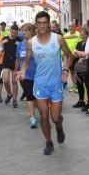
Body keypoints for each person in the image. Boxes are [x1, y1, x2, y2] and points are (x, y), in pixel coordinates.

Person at [16, 11, 73, 155]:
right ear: (36, 25)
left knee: (55, 117)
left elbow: (69, 55)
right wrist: (22, 71)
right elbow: (27, 60)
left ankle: (59, 127)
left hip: (56, 84)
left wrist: (65, 70)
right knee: (43, 116)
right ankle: (49, 142)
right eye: (39, 23)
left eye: (44, 23)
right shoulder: (31, 43)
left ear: (49, 24)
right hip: (40, 83)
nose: (42, 26)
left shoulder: (58, 39)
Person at [15, 23, 37, 128]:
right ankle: (32, 117)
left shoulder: (37, 43)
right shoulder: (20, 45)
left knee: (37, 96)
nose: (23, 32)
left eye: (26, 30)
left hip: (38, 74)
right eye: (22, 30)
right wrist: (16, 71)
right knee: (29, 95)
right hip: (25, 75)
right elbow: (18, 59)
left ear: (31, 31)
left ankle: (40, 111)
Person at [74, 19, 89, 116]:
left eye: (86, 25)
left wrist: (80, 53)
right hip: (88, 62)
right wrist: (83, 56)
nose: (84, 26)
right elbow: (87, 52)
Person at [1, 24, 22, 108]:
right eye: (12, 32)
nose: (13, 34)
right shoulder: (5, 38)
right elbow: (1, 50)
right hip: (6, 61)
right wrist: (2, 43)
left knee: (14, 81)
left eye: (15, 33)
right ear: (10, 30)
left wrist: (19, 45)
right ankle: (9, 94)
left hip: (15, 62)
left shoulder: (20, 40)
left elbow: (22, 52)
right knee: (5, 80)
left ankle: (14, 100)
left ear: (17, 32)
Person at [72, 28, 89, 108]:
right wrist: (80, 54)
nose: (82, 36)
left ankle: (88, 103)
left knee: (87, 85)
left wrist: (78, 53)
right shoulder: (79, 43)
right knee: (79, 84)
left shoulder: (88, 44)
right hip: (79, 67)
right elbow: (73, 54)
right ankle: (81, 100)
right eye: (81, 35)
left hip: (86, 67)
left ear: (87, 35)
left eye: (83, 35)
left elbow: (86, 55)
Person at [63, 22, 81, 93]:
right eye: (69, 26)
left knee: (78, 71)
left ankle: (79, 86)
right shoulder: (66, 34)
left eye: (72, 26)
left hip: (77, 56)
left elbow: (74, 36)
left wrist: (62, 37)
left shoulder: (78, 33)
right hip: (69, 56)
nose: (70, 28)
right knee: (72, 72)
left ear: (75, 27)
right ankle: (75, 86)